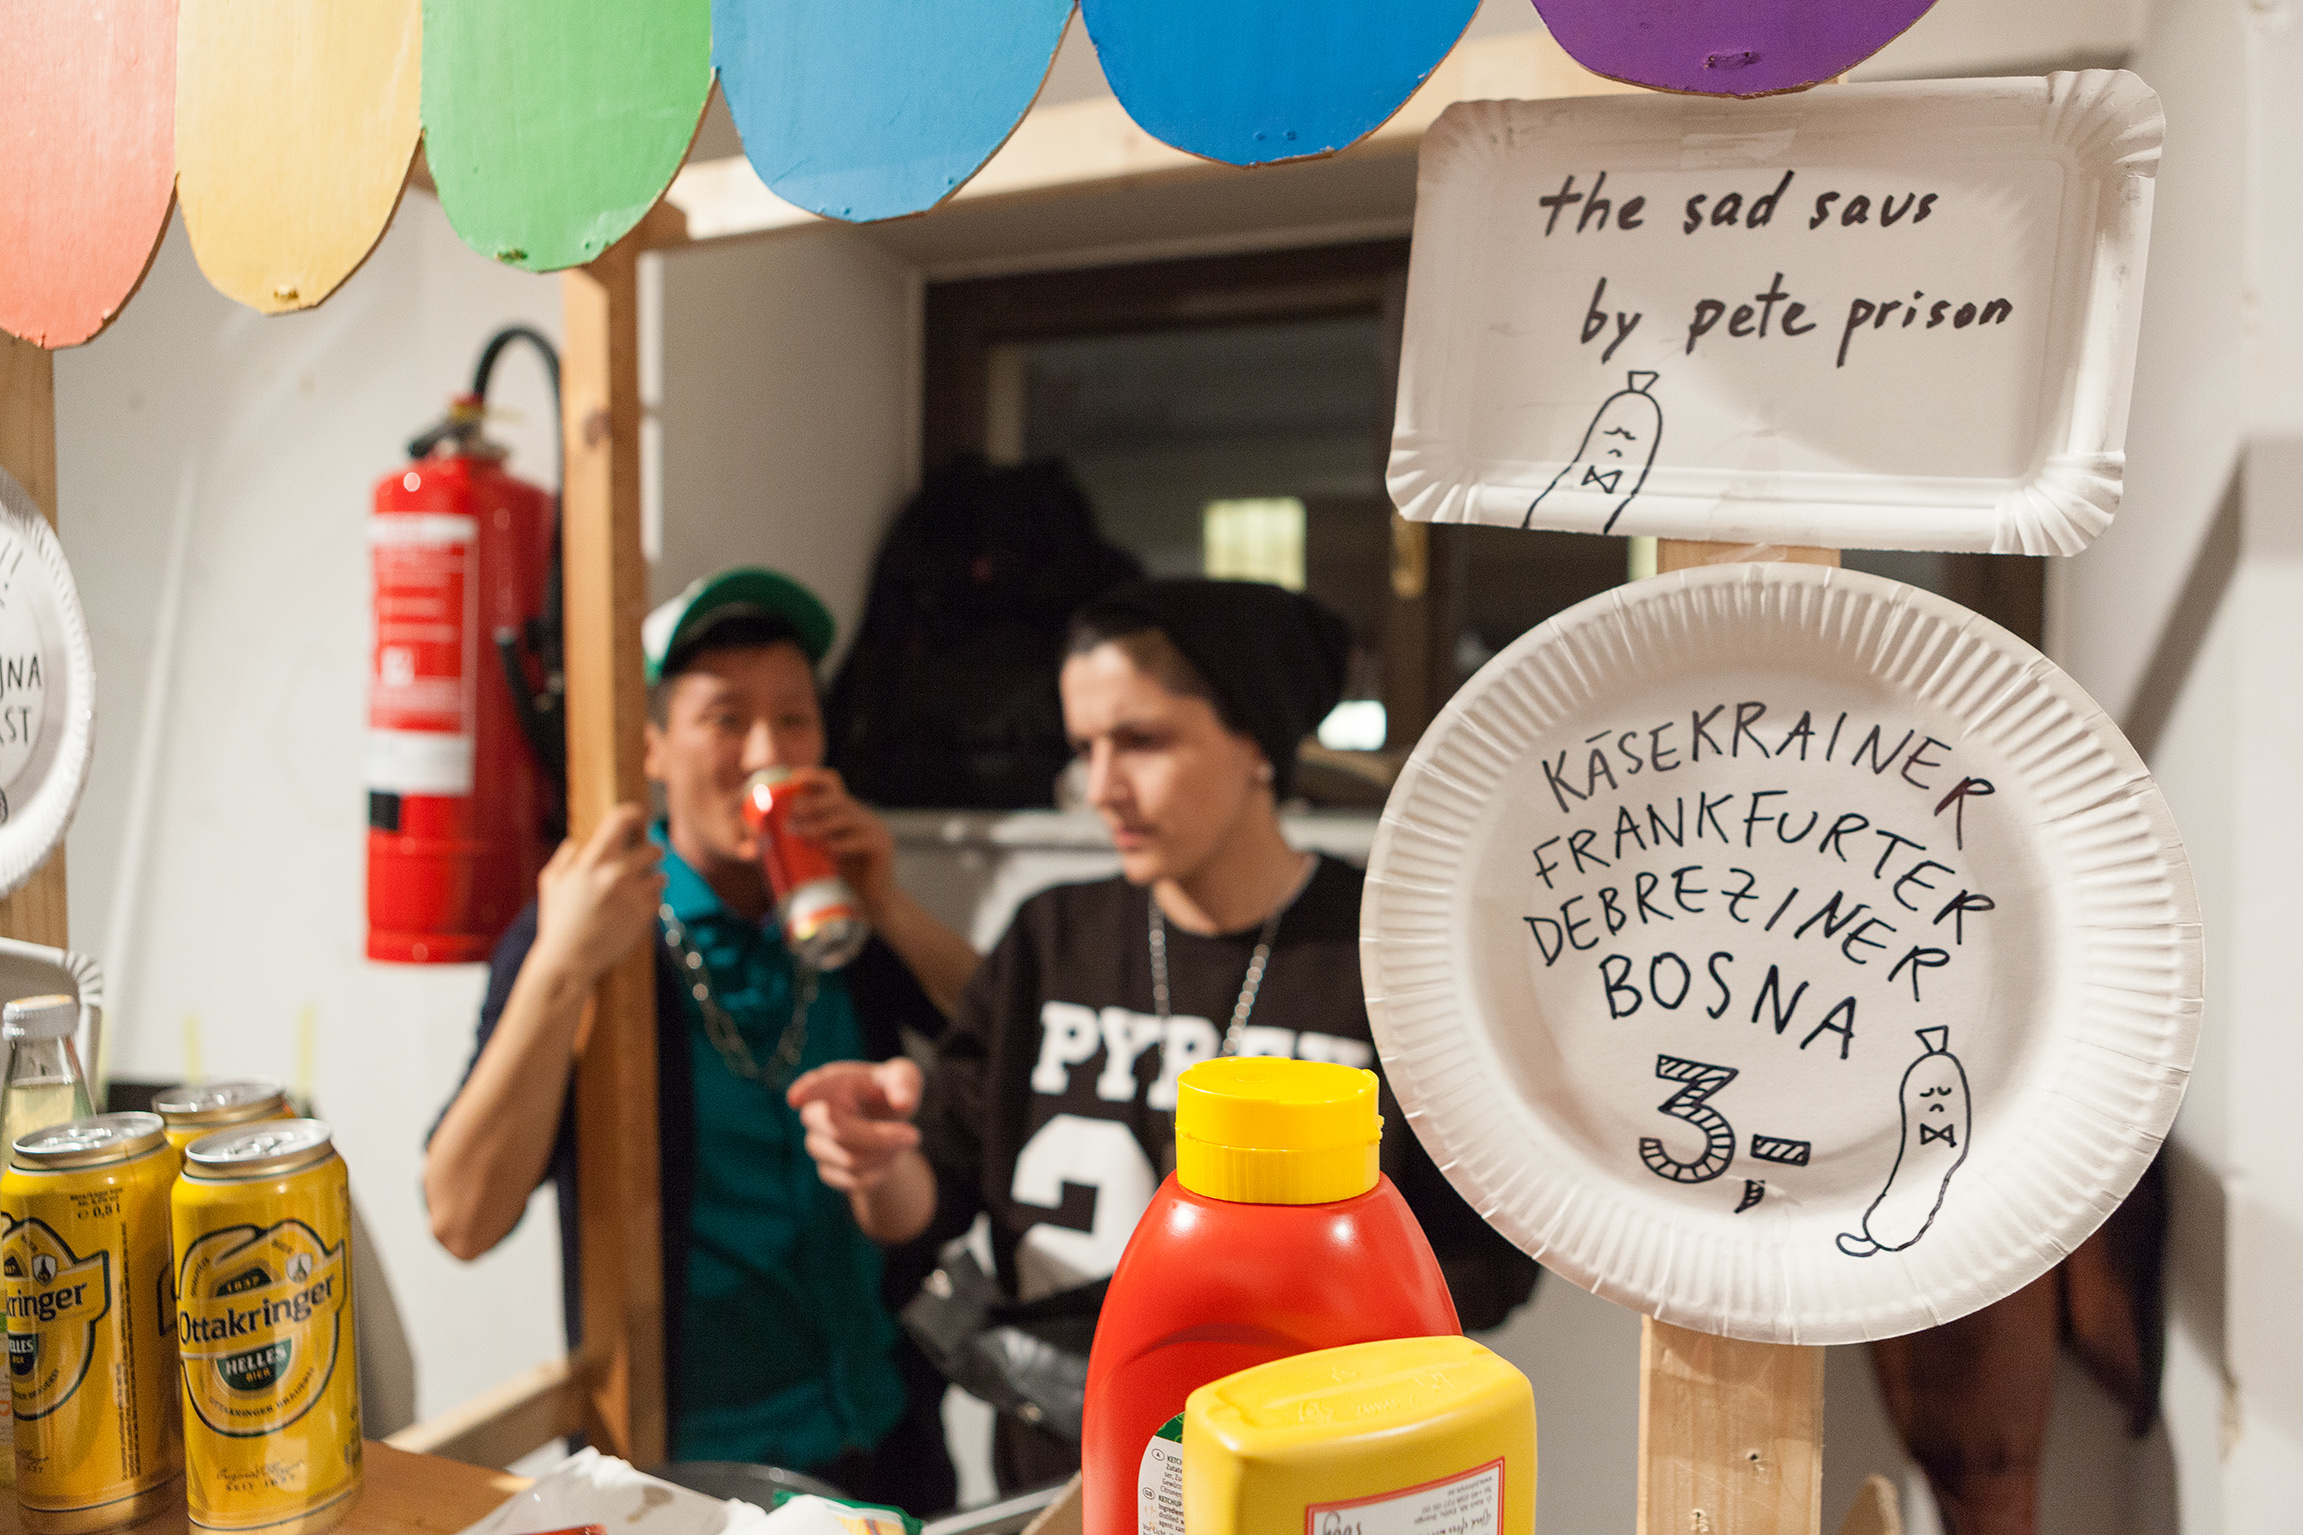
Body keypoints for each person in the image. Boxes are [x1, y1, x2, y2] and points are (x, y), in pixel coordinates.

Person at [789, 578, 1540, 1490]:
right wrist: (874, 1160)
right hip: (1060, 1472)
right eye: (1085, 748)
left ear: (1254, 740)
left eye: (1141, 741)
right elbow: (929, 1203)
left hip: (1303, 1477)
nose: (1101, 789)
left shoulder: (1385, 955)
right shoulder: (1052, 936)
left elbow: (1486, 1266)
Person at [425, 566, 978, 1508]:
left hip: (881, 1435)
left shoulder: (842, 918)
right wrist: (559, 965)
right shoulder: (595, 931)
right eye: (726, 719)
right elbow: (461, 1216)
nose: (768, 752)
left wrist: (888, 900)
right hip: (680, 1473)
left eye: (795, 718)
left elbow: (1002, 1044)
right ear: (652, 746)